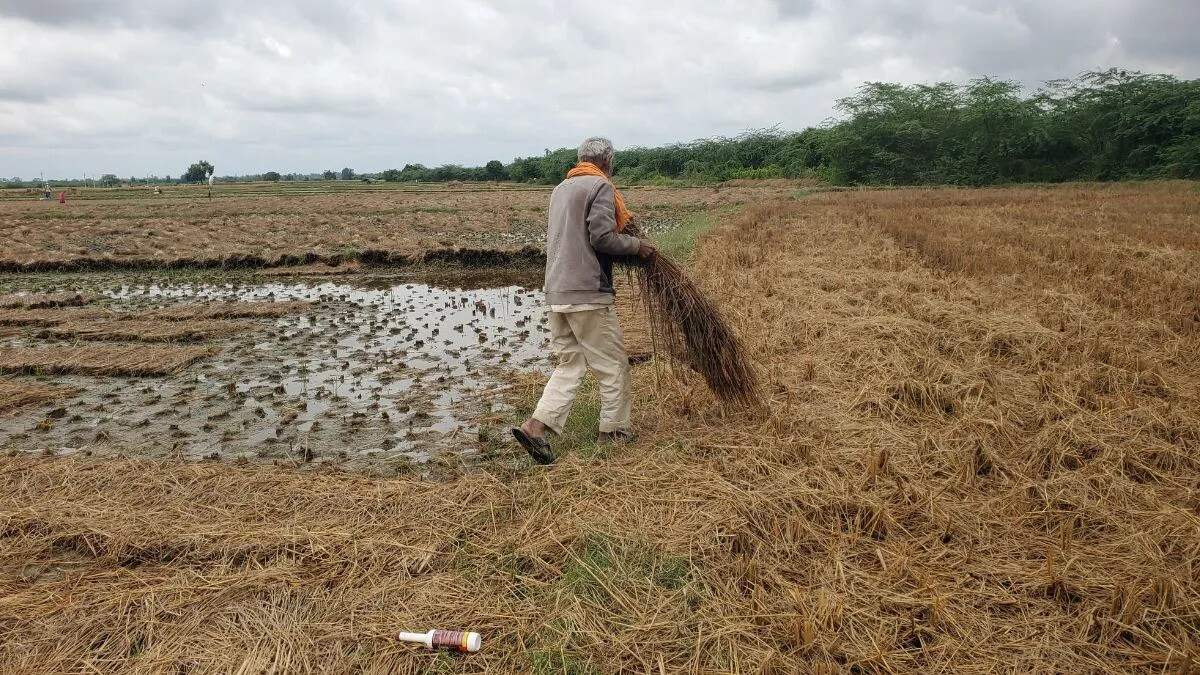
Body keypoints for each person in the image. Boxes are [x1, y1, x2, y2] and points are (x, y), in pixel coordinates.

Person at [512, 137, 656, 464]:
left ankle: (535, 427)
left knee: (571, 363)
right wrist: (637, 247)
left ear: (581, 159)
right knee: (612, 364)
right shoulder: (600, 186)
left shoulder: (560, 189)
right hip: (587, 292)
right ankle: (614, 432)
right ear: (608, 162)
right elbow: (601, 237)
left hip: (556, 292)